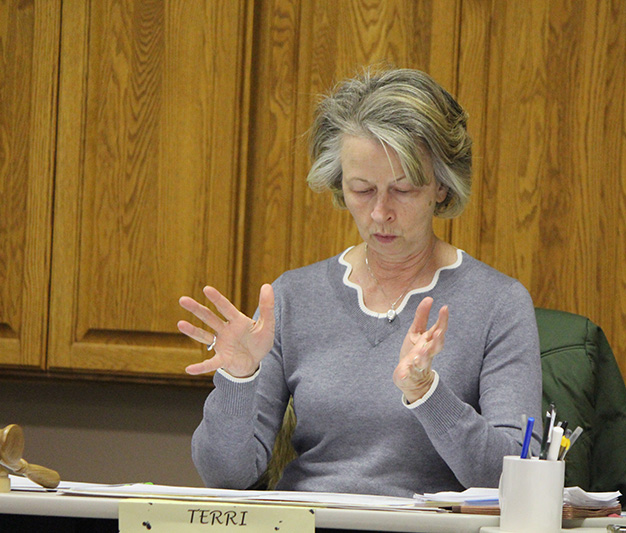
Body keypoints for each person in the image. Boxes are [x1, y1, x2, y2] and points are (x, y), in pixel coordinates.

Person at [177, 67, 542, 498]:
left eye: (403, 190)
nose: (380, 213)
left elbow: (516, 480)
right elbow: (225, 478)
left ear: (441, 187)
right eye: (362, 189)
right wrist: (238, 380)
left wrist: (427, 392)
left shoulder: (498, 303)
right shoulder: (292, 298)